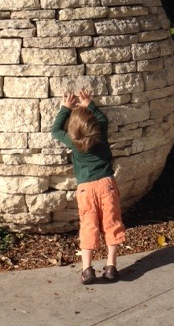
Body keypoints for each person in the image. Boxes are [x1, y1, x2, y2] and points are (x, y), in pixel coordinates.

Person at [51, 89, 126, 285]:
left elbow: (56, 130)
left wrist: (65, 109)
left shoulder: (73, 141)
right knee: (112, 223)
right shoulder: (100, 132)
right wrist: (88, 104)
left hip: (85, 189)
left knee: (88, 225)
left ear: (73, 131)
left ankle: (87, 270)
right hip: (107, 185)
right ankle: (111, 267)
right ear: (94, 127)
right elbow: (101, 117)